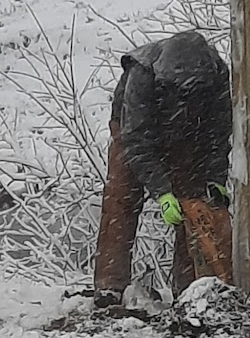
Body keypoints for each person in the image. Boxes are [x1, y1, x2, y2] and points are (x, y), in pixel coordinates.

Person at [94, 31, 233, 307]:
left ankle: (190, 287)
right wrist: (162, 193)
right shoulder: (142, 75)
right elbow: (136, 141)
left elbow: (217, 134)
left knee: (192, 205)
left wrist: (216, 178)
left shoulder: (216, 76)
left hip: (187, 135)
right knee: (121, 199)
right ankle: (110, 285)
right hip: (133, 130)